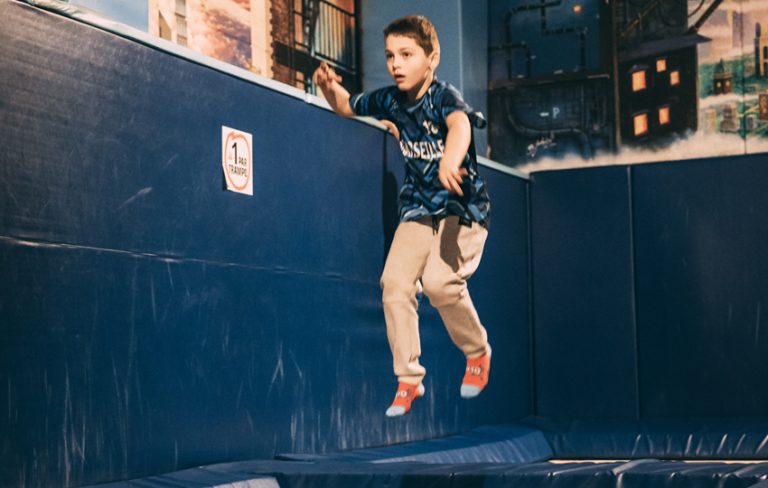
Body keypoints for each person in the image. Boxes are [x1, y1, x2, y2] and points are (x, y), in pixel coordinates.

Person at [313, 15, 492, 417]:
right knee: (393, 283)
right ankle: (409, 379)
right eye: (391, 55)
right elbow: (345, 106)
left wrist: (450, 158)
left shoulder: (442, 96)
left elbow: (460, 125)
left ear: (432, 59)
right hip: (418, 209)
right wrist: (328, 88)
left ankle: (477, 351)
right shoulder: (389, 99)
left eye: (407, 55)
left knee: (440, 284)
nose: (396, 64)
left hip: (461, 208)